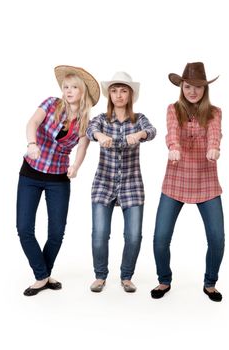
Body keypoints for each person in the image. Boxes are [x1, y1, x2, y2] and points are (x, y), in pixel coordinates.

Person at [16, 65, 100, 296]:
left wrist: (76, 166)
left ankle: (43, 275)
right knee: (24, 229)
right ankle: (43, 275)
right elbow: (32, 123)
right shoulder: (51, 104)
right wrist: (32, 144)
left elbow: (83, 146)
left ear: (82, 92)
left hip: (59, 179)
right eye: (66, 87)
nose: (69, 91)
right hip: (31, 173)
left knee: (56, 232)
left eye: (74, 87)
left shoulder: (85, 121)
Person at [151, 62, 225, 302]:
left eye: (197, 87)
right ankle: (164, 280)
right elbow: (171, 131)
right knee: (160, 238)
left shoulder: (215, 112)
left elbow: (215, 132)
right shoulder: (173, 109)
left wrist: (214, 147)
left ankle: (210, 283)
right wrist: (174, 147)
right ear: (181, 86)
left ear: (205, 89)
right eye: (187, 86)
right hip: (175, 180)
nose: (192, 91)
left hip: (206, 181)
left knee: (217, 238)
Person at [86, 72, 156, 293]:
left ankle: (126, 277)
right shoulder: (102, 119)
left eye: (123, 90)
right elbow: (90, 129)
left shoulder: (139, 119)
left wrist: (140, 135)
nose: (119, 95)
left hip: (132, 185)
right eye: (115, 91)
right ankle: (100, 276)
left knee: (134, 235)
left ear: (130, 95)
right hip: (103, 184)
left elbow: (152, 131)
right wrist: (99, 136)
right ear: (110, 95)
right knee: (99, 233)